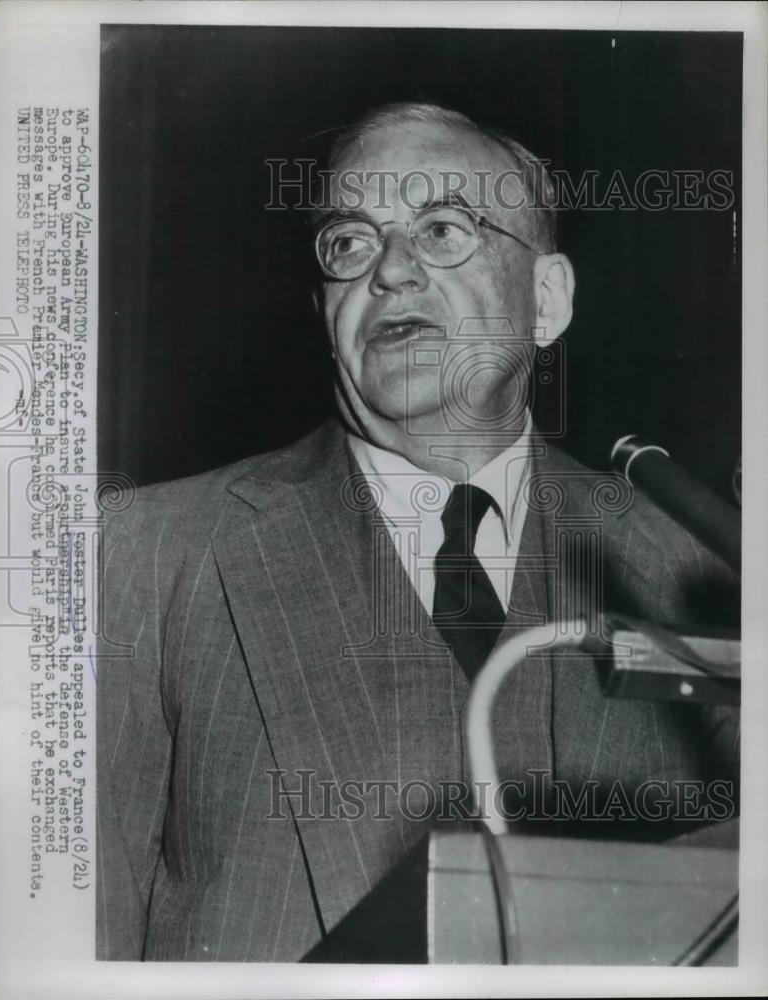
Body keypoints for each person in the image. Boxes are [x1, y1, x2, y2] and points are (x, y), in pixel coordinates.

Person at [96, 102, 739, 962]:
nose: (390, 271)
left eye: (442, 228)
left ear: (546, 300)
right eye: (350, 242)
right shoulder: (145, 555)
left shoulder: (701, 569)